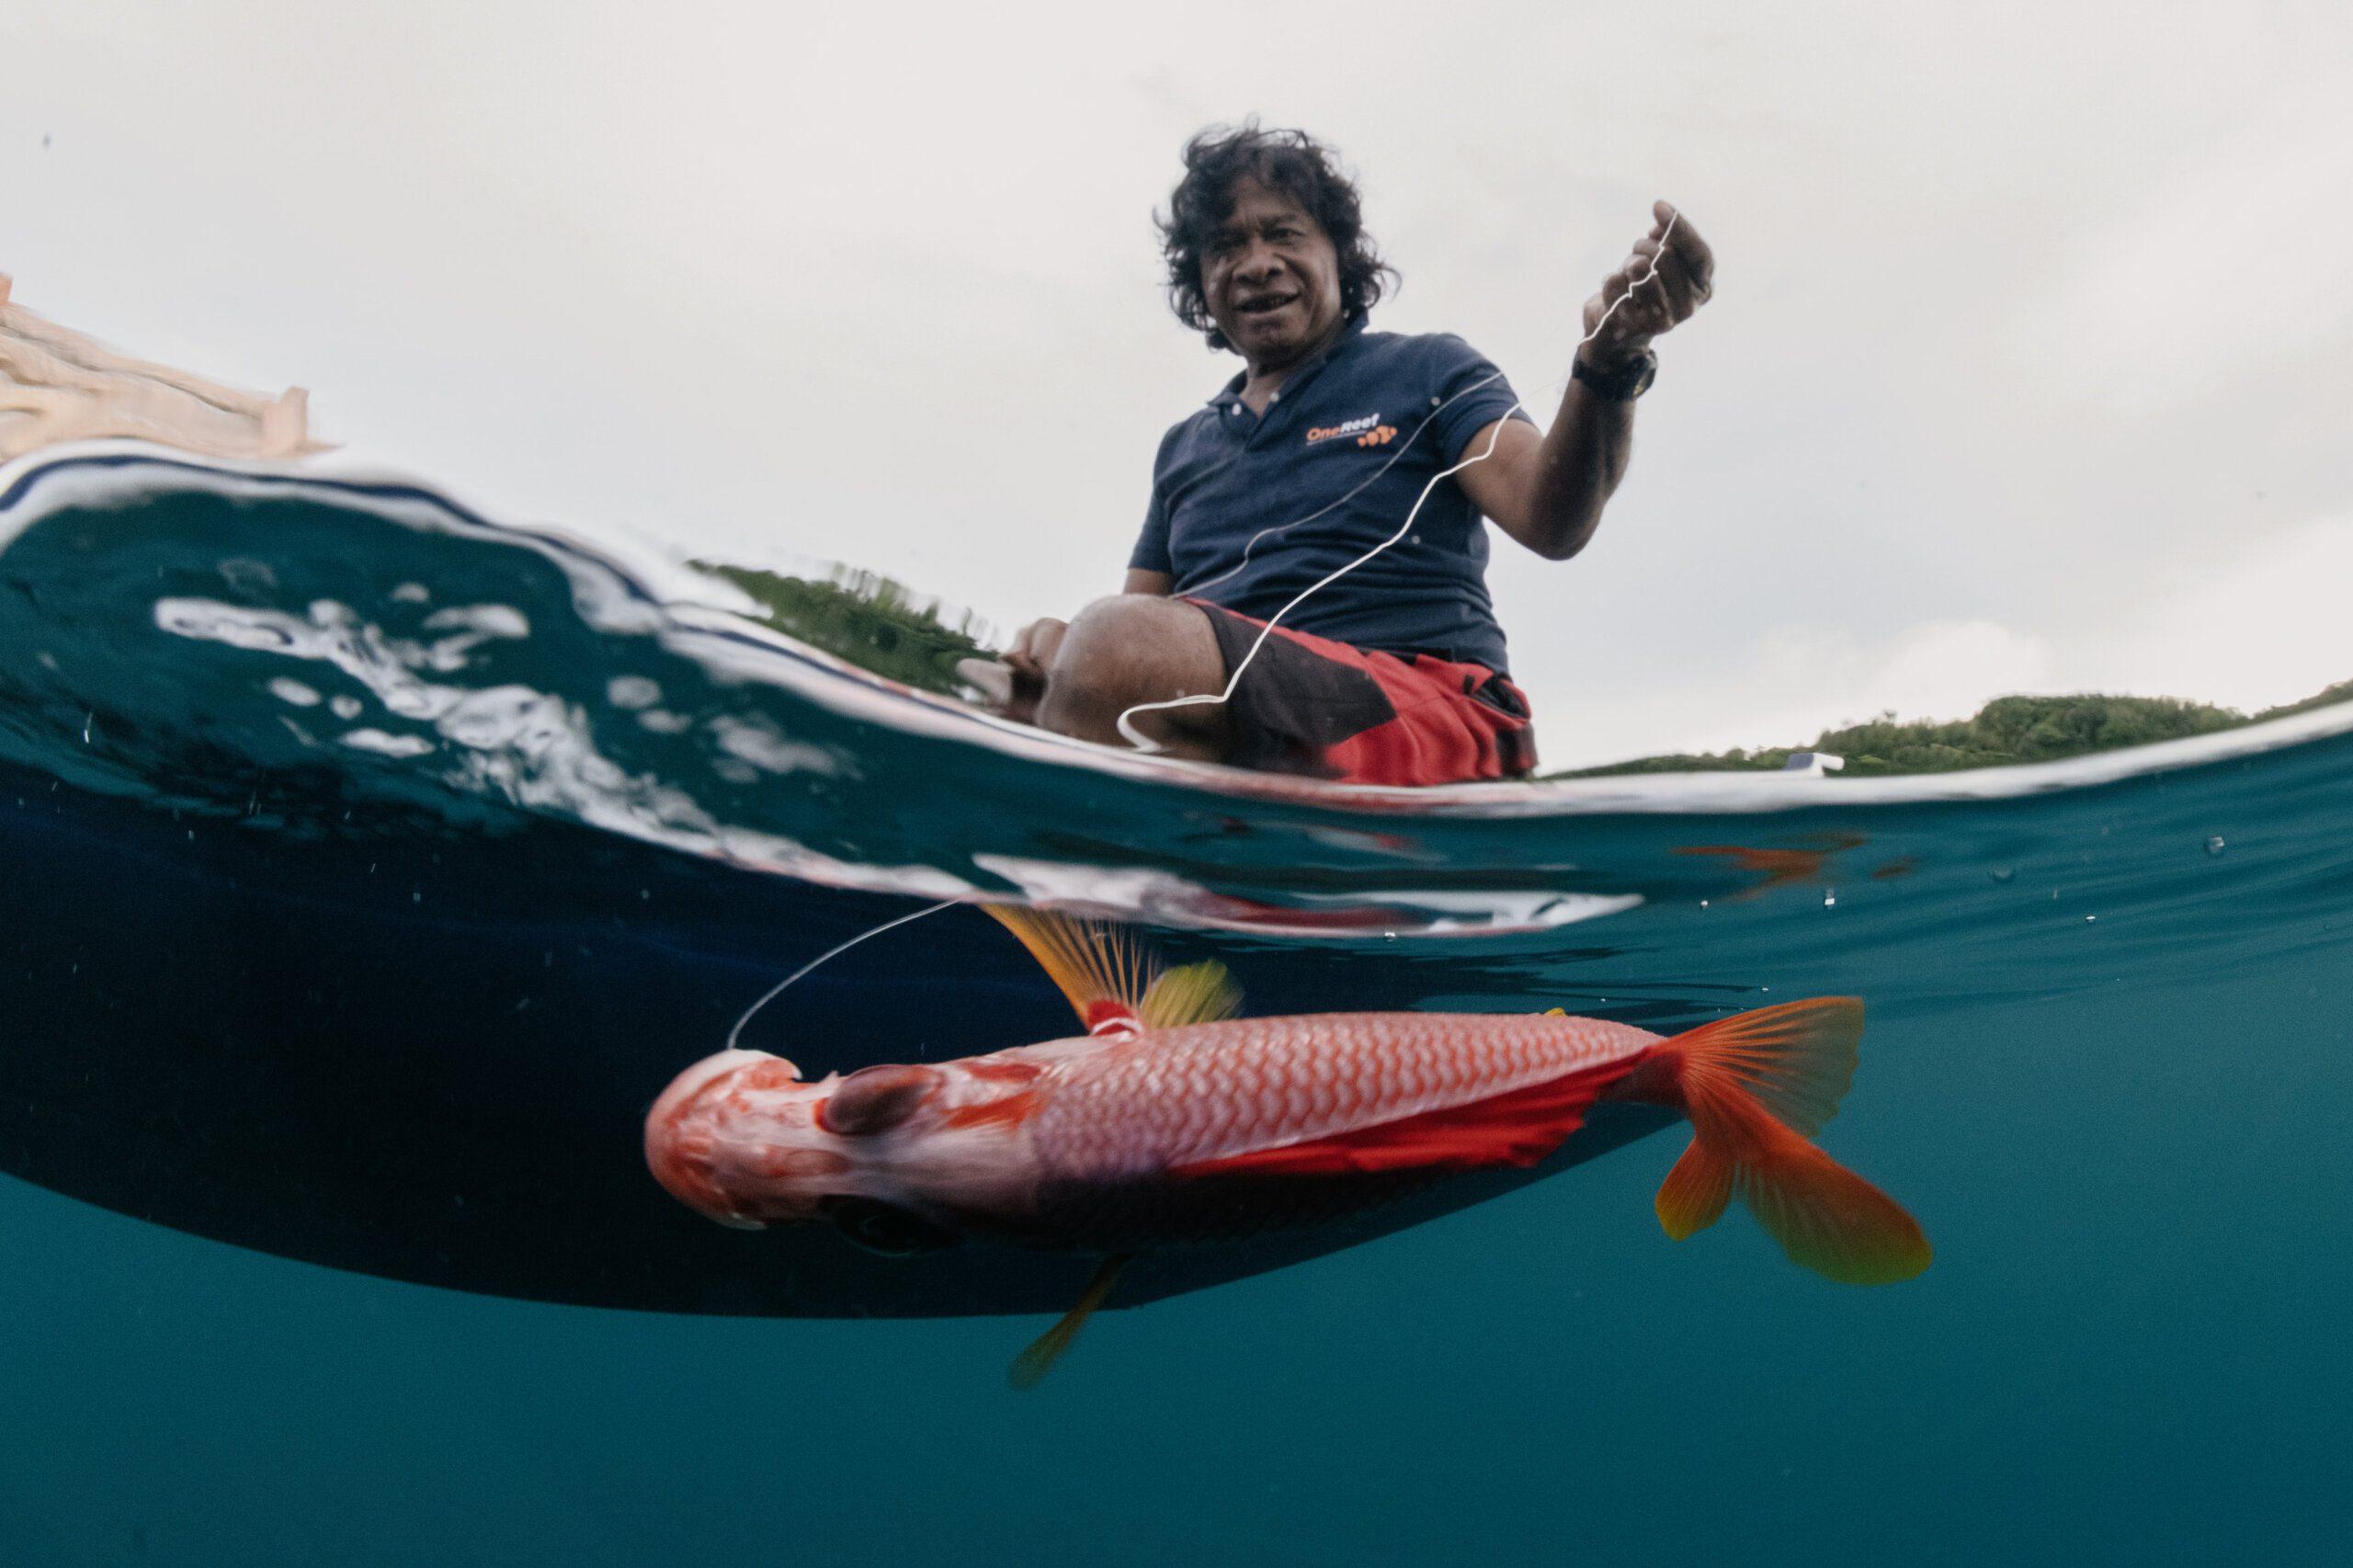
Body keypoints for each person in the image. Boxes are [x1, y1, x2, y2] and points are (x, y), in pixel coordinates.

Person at [964, 123, 1713, 785]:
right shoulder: (1183, 450)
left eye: (1283, 233)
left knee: (1109, 646)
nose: (1256, 262)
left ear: (1338, 256)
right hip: (1253, 727)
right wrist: (1053, 663)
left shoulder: (1428, 369)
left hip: (1438, 712)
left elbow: (1554, 520)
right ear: (1201, 283)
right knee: (1054, 663)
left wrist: (1610, 362)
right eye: (1226, 246)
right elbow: (1135, 623)